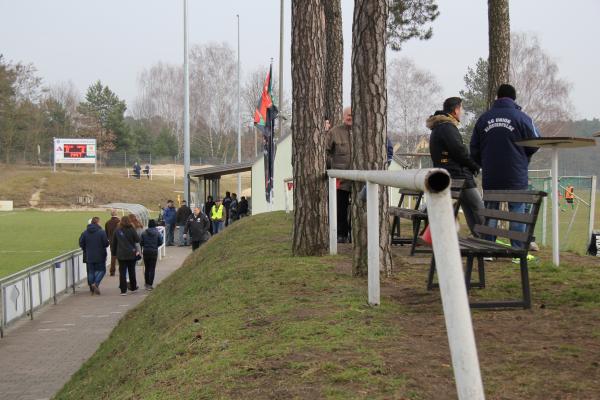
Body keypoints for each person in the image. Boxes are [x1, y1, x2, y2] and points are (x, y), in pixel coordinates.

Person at [471, 84, 540, 249]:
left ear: (497, 97)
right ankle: (517, 250)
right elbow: (536, 143)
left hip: (491, 176)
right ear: (513, 98)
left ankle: (488, 249)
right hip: (516, 175)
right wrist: (523, 156)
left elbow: (474, 149)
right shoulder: (522, 118)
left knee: (491, 211)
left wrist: (485, 163)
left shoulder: (483, 119)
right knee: (517, 213)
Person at [427, 97, 484, 236]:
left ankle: (478, 237)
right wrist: (474, 165)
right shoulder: (447, 127)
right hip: (459, 175)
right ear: (456, 110)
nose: (462, 112)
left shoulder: (438, 127)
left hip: (452, 175)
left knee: (469, 208)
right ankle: (487, 240)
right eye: (461, 109)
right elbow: (459, 151)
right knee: (479, 208)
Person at [326, 106, 353, 243]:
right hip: (340, 179)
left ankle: (355, 234)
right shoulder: (334, 132)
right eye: (348, 115)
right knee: (340, 208)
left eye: (353, 115)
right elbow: (325, 151)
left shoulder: (363, 131)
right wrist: (333, 166)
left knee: (359, 208)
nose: (350, 117)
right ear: (343, 116)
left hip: (359, 179)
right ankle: (341, 234)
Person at [111, 215, 141, 295]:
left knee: (122, 272)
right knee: (132, 271)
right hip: (131, 253)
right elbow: (137, 239)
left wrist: (114, 253)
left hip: (121, 254)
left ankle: (123, 290)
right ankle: (133, 287)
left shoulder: (117, 230)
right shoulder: (132, 229)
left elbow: (114, 243)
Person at [79, 217, 109, 295]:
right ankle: (95, 283)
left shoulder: (85, 232)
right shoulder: (102, 232)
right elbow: (106, 243)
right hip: (100, 254)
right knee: (102, 270)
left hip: (89, 255)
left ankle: (92, 286)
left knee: (91, 272)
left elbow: (81, 243)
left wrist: (86, 248)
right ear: (97, 223)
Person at [140, 219, 163, 290]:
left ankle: (146, 283)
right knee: (152, 269)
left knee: (147, 268)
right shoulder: (157, 233)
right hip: (154, 251)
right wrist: (155, 245)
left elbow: (141, 243)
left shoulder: (144, 233)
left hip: (146, 251)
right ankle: (150, 284)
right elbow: (160, 242)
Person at [104, 209, 120, 276]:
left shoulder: (107, 223)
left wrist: (109, 239)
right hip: (119, 242)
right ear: (117, 214)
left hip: (111, 241)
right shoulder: (119, 221)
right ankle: (121, 270)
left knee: (113, 257)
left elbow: (106, 233)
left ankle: (112, 271)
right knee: (120, 257)